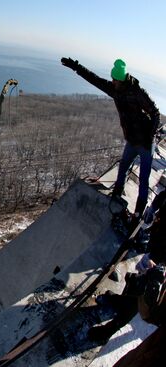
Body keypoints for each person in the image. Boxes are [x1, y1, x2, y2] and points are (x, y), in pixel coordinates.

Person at [61, 57, 162, 217]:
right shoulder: (115, 90)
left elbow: (155, 113)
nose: (112, 81)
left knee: (144, 180)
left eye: (114, 79)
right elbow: (94, 79)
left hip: (145, 142)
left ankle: (138, 212)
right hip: (132, 140)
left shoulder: (137, 92)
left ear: (120, 79)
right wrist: (76, 67)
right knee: (122, 169)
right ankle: (116, 196)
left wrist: (149, 137)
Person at [88, 190, 165, 346]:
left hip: (161, 268)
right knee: (136, 282)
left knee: (140, 299)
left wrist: (160, 270)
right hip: (156, 252)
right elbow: (158, 205)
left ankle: (107, 331)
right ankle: (119, 300)